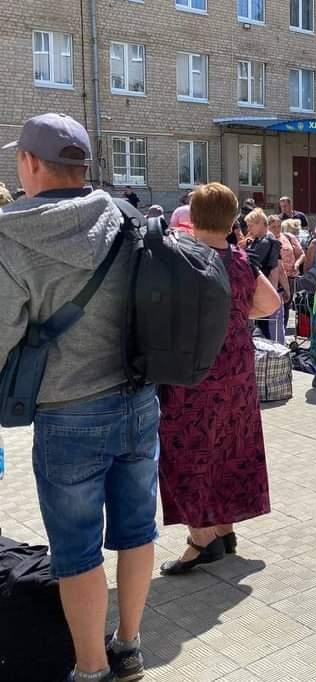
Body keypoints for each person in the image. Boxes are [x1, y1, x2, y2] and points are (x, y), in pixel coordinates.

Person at [0, 114, 156, 682]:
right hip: (140, 400)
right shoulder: (125, 214)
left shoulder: (10, 235)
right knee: (139, 531)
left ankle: (90, 669)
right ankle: (130, 645)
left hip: (67, 415)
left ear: (32, 164)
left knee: (76, 550)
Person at [158, 183, 278, 576]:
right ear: (232, 220)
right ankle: (224, 529)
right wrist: (235, 315)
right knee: (230, 443)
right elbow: (272, 303)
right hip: (237, 367)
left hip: (193, 371)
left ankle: (201, 539)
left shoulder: (181, 258)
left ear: (192, 217)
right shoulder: (242, 261)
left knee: (187, 450)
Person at [245, 209, 285, 341]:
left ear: (261, 223)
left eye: (251, 225)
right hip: (264, 288)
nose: (249, 228)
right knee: (262, 327)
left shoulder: (265, 242)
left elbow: (252, 263)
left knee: (264, 329)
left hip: (264, 289)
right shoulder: (261, 240)